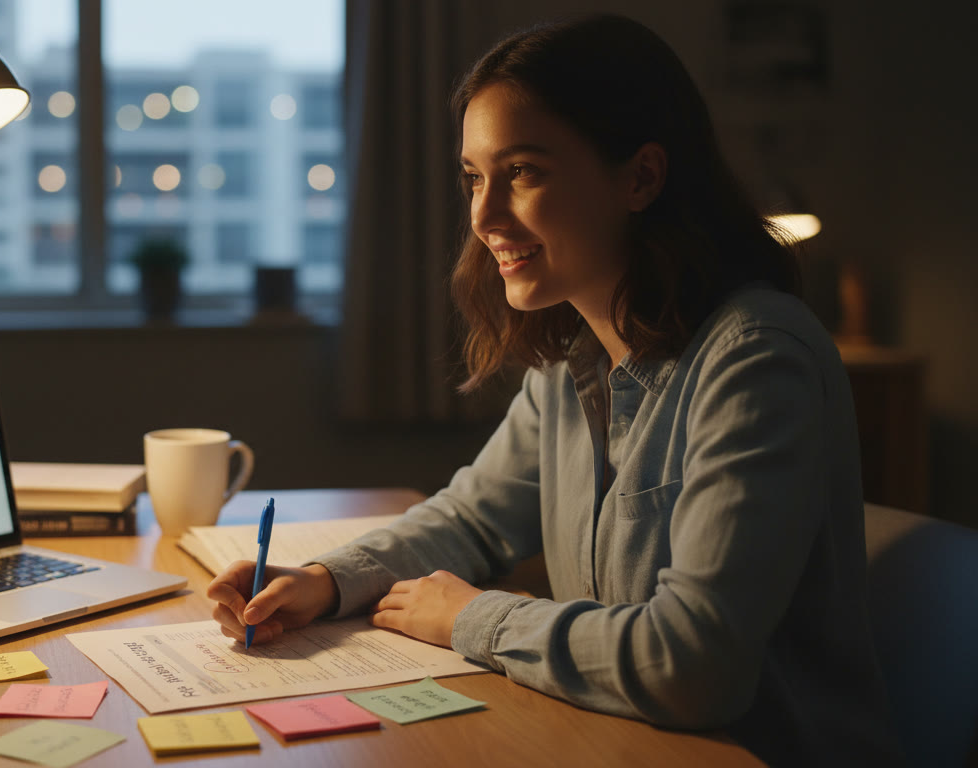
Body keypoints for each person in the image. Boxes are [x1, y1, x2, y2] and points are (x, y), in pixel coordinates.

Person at [207, 14, 901, 764]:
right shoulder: (573, 359)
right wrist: (324, 581)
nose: (482, 216)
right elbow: (472, 521)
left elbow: (695, 665)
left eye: (523, 172)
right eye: (474, 177)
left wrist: (474, 619)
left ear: (641, 177)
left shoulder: (757, 358)